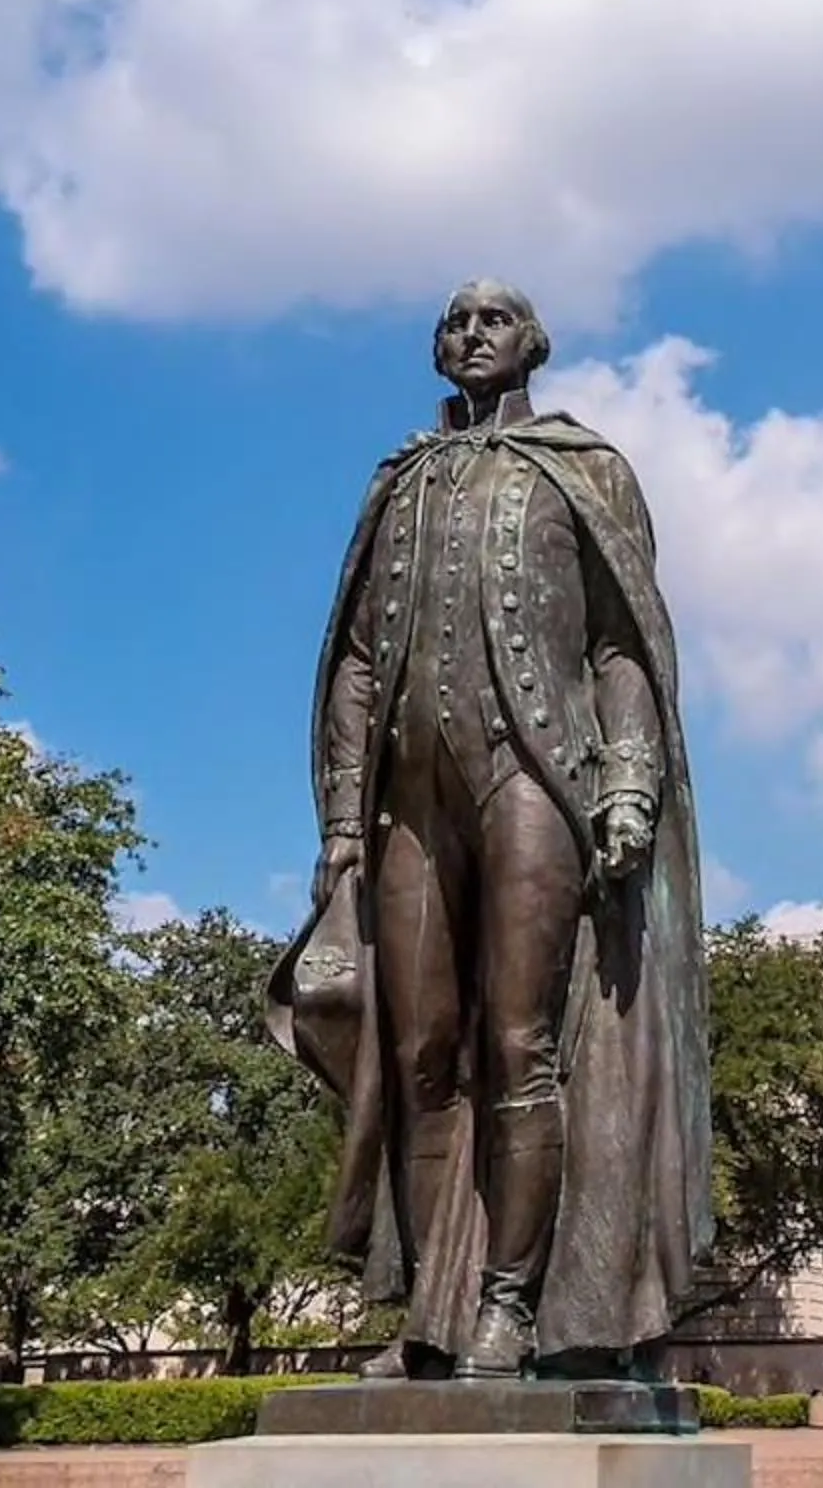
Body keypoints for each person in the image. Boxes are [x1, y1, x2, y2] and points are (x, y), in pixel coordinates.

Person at [267, 279, 712, 1382]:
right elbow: (360, 658)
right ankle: (435, 1305)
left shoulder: (585, 468)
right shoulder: (401, 483)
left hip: (539, 777)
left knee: (521, 1042)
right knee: (420, 1052)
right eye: (454, 321)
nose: (470, 333)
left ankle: (514, 1302)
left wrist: (628, 784)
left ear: (534, 346)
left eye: (493, 319)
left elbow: (622, 646)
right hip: (412, 798)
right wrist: (340, 820)